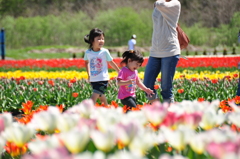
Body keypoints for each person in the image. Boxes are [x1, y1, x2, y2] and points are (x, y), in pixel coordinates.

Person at [143, 0, 181, 104]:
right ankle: (158, 110)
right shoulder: (158, 4)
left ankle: (169, 114)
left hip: (170, 51)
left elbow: (160, 4)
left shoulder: (175, 4)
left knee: (166, 88)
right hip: (155, 51)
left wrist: (156, 3)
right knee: (147, 85)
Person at [84, 28, 120, 106]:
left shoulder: (104, 52)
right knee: (101, 97)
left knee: (93, 98)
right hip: (93, 79)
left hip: (103, 79)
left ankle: (89, 113)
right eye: (98, 39)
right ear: (92, 41)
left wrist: (118, 71)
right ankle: (107, 108)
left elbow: (111, 62)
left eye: (102, 39)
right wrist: (89, 74)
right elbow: (86, 62)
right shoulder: (88, 52)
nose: (101, 41)